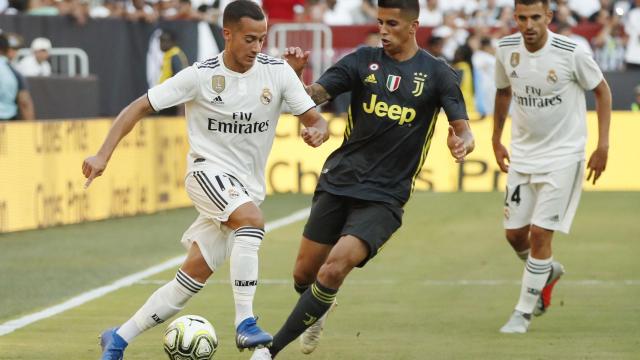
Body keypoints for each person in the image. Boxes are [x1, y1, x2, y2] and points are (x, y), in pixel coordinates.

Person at [83, 1, 329, 359]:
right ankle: (245, 323)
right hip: (206, 172)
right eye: (249, 39)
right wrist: (102, 154)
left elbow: (314, 118)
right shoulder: (200, 75)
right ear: (227, 34)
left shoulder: (277, 72)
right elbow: (137, 107)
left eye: (262, 39)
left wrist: (318, 132)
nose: (257, 48)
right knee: (252, 222)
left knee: (191, 278)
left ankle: (118, 338)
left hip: (245, 188)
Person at [251, 0, 475, 358]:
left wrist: (460, 143)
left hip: (386, 196)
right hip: (340, 179)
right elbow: (311, 99)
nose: (383, 30)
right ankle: (318, 310)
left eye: (392, 24)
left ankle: (269, 351)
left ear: (414, 26)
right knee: (302, 276)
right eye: (380, 22)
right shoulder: (361, 61)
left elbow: (464, 131)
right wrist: (293, 76)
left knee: (335, 266)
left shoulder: (438, 74)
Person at [492, 0, 611, 333]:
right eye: (522, 18)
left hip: (564, 156)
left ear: (548, 17)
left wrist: (603, 145)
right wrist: (496, 139)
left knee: (540, 233)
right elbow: (503, 92)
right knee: (515, 235)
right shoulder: (505, 49)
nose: (528, 25)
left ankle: (523, 312)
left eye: (535, 18)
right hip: (523, 155)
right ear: (514, 17)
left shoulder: (571, 51)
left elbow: (602, 91)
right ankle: (547, 270)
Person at [0, 33, 35, 120]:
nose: (14, 52)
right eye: (12, 49)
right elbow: (25, 103)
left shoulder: (14, 72)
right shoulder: (13, 73)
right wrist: (31, 131)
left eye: (16, 49)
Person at [157, 29, 188, 116]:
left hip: (172, 100)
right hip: (166, 96)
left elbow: (181, 79)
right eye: (161, 41)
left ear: (173, 42)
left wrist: (181, 105)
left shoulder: (175, 55)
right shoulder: (168, 55)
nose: (162, 44)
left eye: (166, 41)